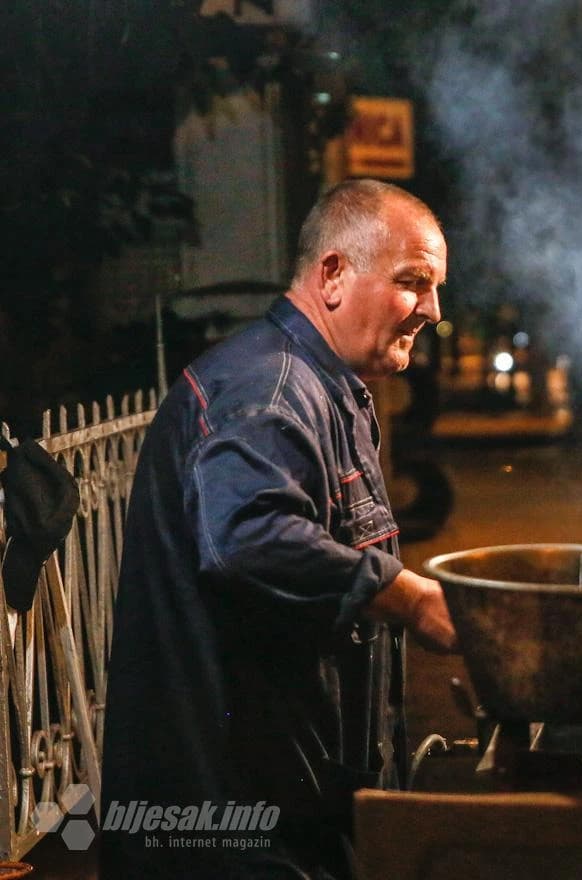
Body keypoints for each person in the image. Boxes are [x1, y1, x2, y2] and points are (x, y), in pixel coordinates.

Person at [100, 179, 457, 879]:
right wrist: (410, 597)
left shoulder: (320, 384)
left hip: (286, 810)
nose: (433, 311)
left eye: (435, 288)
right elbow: (246, 540)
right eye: (413, 282)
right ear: (333, 275)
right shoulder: (268, 391)